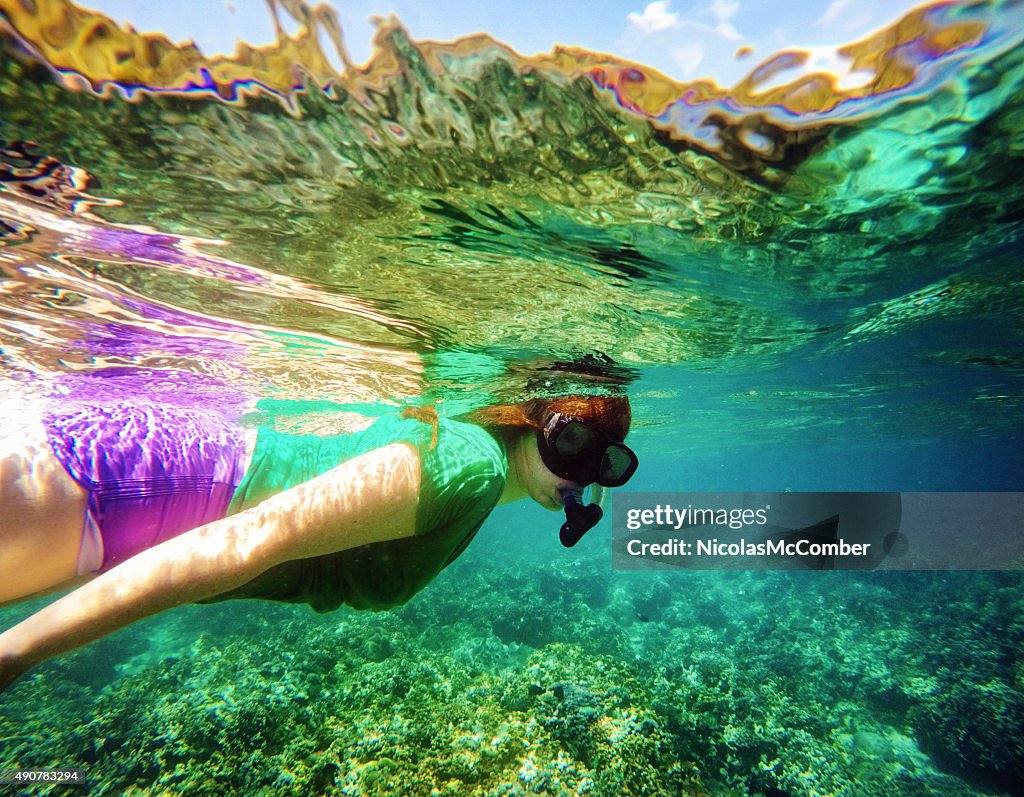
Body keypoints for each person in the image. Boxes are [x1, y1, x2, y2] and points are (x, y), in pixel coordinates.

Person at [0, 393, 637, 691]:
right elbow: (251, 538)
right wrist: (18, 651)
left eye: (605, 465)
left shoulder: (484, 465)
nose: (582, 473)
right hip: (135, 488)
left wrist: (585, 489)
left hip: (137, 481)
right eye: (572, 447)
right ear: (531, 423)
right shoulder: (474, 469)